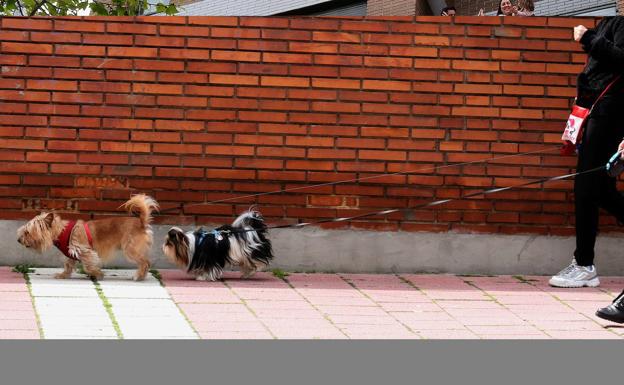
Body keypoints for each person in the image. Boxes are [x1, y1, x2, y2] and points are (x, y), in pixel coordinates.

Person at [549, 17, 624, 288]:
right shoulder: (611, 21)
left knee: (586, 186)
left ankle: (584, 265)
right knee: (601, 190)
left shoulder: (620, 24)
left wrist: (588, 39)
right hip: (596, 112)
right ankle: (583, 264)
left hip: (609, 113)